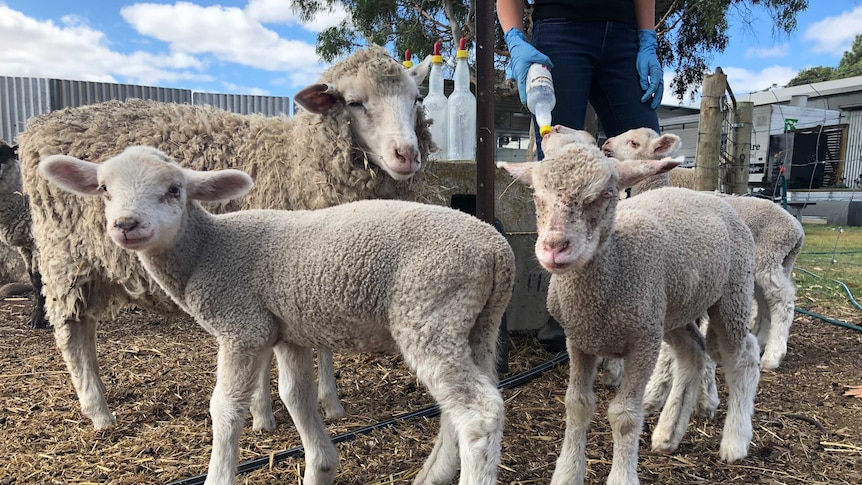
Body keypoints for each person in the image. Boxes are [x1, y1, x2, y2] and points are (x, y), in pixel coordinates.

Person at [497, 0, 664, 352]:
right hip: (560, 27)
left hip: (625, 35)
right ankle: (568, 308)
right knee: (559, 166)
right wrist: (514, 37)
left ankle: (658, 295)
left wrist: (647, 38)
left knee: (648, 160)